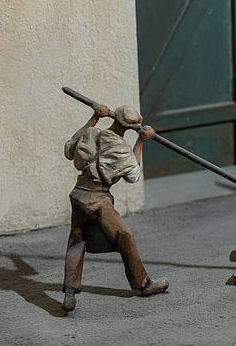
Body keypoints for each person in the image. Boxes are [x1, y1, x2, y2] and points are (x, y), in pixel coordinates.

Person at [61, 103, 168, 312]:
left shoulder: (91, 133)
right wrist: (141, 141)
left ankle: (69, 292)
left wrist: (94, 118)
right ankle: (144, 284)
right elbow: (134, 176)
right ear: (130, 127)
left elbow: (68, 149)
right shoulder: (122, 150)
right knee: (124, 235)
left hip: (79, 193)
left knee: (77, 240)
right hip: (98, 198)